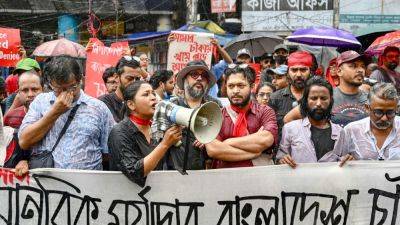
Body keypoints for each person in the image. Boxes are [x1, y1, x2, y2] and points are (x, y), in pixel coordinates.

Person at [18, 56, 114, 170]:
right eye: (58, 89)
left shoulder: (98, 108)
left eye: (71, 87)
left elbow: (109, 153)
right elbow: (24, 141)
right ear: (51, 84)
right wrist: (54, 112)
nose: (65, 94)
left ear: (80, 80)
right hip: (47, 183)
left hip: (87, 184)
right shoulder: (40, 102)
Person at [108, 81, 182, 186]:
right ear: (131, 104)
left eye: (153, 93)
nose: (153, 97)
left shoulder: (156, 127)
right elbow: (134, 172)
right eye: (146, 94)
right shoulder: (119, 132)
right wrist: (164, 144)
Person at [206, 65, 277, 168]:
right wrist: (254, 153)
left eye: (240, 85)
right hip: (225, 178)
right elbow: (213, 149)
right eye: (231, 86)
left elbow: (266, 140)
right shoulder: (217, 115)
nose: (235, 91)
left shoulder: (265, 111)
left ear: (252, 87)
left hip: (259, 178)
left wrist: (227, 142)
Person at [277, 77, 343, 168]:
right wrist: (282, 159)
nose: (319, 103)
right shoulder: (290, 129)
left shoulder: (340, 133)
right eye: (314, 98)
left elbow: (345, 161)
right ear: (306, 101)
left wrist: (348, 161)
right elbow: (281, 155)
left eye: (323, 98)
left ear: (330, 100)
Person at [168, 60, 222, 170]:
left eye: (204, 76)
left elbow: (224, 135)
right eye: (194, 75)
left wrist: (210, 139)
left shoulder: (215, 106)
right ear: (184, 79)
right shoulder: (172, 106)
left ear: (207, 82)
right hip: (175, 173)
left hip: (206, 173)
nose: (199, 78)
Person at [335, 83, 400, 163]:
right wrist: (344, 160)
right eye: (378, 112)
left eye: (390, 112)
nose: (384, 118)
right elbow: (336, 160)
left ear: (397, 109)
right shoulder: (351, 131)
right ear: (367, 108)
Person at [269, 51, 313, 137]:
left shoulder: (317, 98)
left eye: (303, 70)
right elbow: (270, 131)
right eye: (294, 70)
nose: (299, 74)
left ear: (310, 71)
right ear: (288, 72)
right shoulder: (275, 98)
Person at [99, 56, 143, 122]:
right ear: (117, 77)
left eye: (137, 79)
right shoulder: (104, 102)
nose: (134, 83)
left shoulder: (141, 102)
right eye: (129, 79)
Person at [331, 50, 369, 127]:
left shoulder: (370, 97)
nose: (360, 70)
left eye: (362, 66)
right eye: (353, 66)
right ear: (339, 71)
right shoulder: (327, 97)